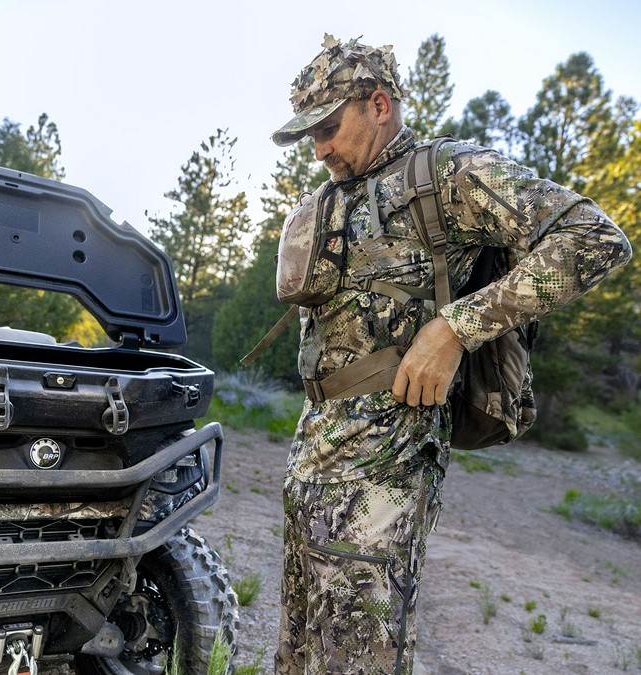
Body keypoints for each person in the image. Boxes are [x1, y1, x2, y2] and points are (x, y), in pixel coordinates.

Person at [269, 35, 632, 674]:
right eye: (311, 136)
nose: (320, 149)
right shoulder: (339, 194)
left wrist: (456, 328)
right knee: (300, 655)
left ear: (378, 104)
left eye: (329, 128)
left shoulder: (447, 174)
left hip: (386, 465)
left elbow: (595, 238)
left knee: (360, 658)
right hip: (314, 455)